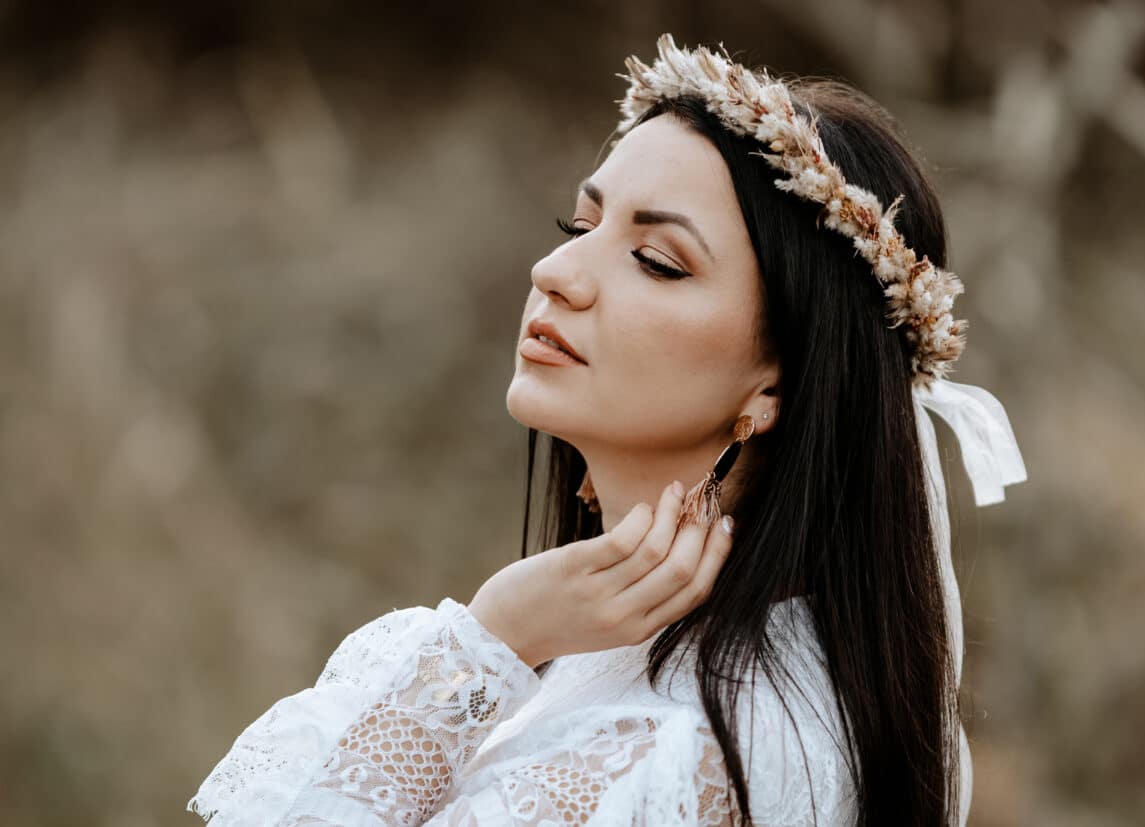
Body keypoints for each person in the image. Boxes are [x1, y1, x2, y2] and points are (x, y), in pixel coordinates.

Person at [188, 33, 1026, 826]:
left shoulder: (693, 752)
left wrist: (492, 641)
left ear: (778, 383)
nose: (554, 273)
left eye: (658, 260)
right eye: (581, 228)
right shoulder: (589, 652)